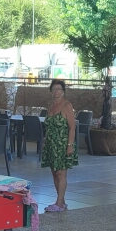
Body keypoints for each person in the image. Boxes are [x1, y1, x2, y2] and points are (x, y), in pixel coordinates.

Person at [40, 80, 77, 212]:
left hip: (62, 143)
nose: (56, 91)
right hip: (51, 144)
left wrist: (69, 145)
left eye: (59, 89)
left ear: (63, 91)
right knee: (55, 173)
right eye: (54, 89)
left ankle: (59, 203)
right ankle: (62, 201)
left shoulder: (67, 105)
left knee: (61, 173)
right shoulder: (51, 106)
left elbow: (72, 127)